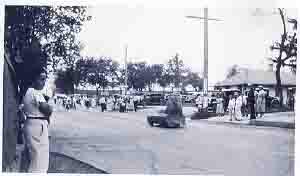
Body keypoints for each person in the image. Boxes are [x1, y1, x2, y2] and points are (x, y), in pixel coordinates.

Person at [22, 70, 53, 173]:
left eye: (45, 79)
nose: (43, 82)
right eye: (41, 79)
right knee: (40, 160)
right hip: (38, 126)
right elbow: (47, 110)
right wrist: (50, 107)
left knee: (35, 157)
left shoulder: (27, 91)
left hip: (31, 123)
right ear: (33, 79)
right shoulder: (36, 92)